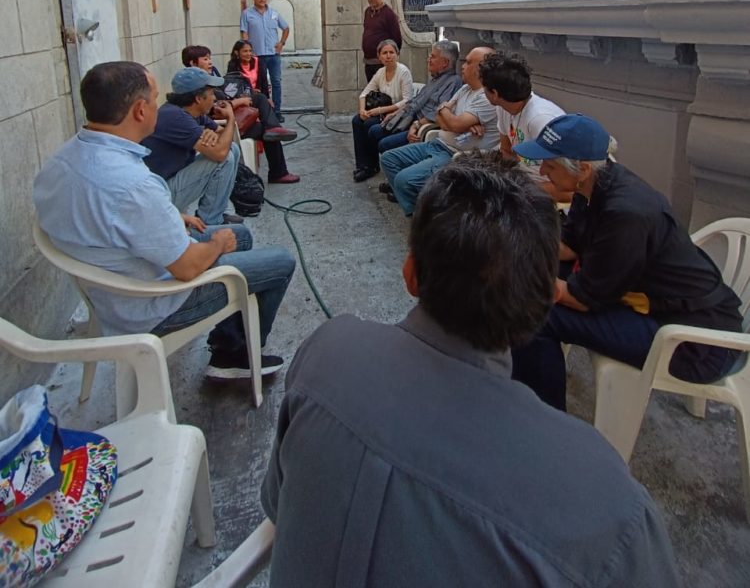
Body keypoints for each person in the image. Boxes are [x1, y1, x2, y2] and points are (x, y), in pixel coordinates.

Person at [260, 156, 681, 587]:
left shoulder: (325, 352)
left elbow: (279, 503)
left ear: (410, 275)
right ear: (541, 305)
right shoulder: (607, 502)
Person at [33, 61, 295, 379]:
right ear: (141, 110)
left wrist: (174, 216)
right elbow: (186, 267)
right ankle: (236, 358)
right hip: (152, 304)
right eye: (156, 99)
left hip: (114, 281)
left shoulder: (61, 161)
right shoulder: (131, 184)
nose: (161, 107)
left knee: (241, 235)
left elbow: (113, 217)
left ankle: (230, 339)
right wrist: (215, 244)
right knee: (278, 260)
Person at [511, 113, 743, 411]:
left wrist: (517, 274)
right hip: (650, 303)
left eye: (550, 164)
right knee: (536, 275)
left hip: (697, 344)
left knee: (533, 314)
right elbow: (569, 247)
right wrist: (519, 246)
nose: (542, 170)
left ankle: (541, 417)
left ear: (580, 168)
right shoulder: (593, 184)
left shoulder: (626, 212)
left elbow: (582, 299)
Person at [380, 46, 500, 215]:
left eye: (468, 62)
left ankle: (423, 217)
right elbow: (441, 118)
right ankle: (419, 211)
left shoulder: (485, 97)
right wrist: (451, 116)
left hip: (456, 153)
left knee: (403, 180)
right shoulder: (464, 89)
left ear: (481, 68)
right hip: (438, 142)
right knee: (388, 159)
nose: (462, 66)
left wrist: (450, 116)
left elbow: (453, 123)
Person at [142, 67, 244, 225]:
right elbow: (220, 153)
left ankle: (218, 212)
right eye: (211, 93)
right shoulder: (174, 117)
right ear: (198, 98)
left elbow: (223, 134)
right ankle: (210, 220)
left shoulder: (192, 113)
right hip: (161, 194)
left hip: (175, 180)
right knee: (224, 157)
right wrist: (231, 118)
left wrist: (215, 135)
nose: (214, 98)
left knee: (233, 149)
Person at [478, 51, 569, 200]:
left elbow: (570, 189)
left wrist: (520, 189)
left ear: (494, 93)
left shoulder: (542, 120)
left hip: (544, 197)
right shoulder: (502, 107)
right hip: (520, 185)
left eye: (484, 88)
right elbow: (506, 151)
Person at [223, 41, 300, 185]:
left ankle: (278, 173)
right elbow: (225, 99)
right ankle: (272, 127)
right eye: (205, 59)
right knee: (260, 100)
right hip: (229, 124)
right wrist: (243, 98)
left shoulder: (211, 78)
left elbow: (262, 84)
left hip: (246, 104)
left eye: (250, 51)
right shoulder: (199, 88)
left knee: (270, 133)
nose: (248, 54)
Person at [369, 40, 462, 158]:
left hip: (422, 126)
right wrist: (395, 113)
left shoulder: (453, 82)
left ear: (444, 62)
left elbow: (439, 113)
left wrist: (416, 125)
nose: (428, 59)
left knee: (384, 144)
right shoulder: (435, 79)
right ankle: (371, 168)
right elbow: (414, 101)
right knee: (373, 130)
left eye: (432, 56)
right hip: (408, 116)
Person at [352, 40, 414, 182]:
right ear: (379, 56)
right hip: (382, 113)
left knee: (369, 125)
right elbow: (364, 94)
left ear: (397, 54)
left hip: (398, 115)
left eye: (391, 52)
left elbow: (407, 101)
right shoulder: (380, 72)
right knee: (357, 120)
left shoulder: (403, 72)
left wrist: (380, 109)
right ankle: (363, 165)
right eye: (384, 53)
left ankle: (372, 165)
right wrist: (362, 110)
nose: (388, 56)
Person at [240, 0, 289, 120]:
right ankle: (264, 112)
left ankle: (277, 112)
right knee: (260, 85)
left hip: (273, 55)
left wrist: (281, 43)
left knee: (276, 82)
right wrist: (246, 52)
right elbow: (244, 33)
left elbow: (286, 28)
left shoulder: (274, 13)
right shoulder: (247, 14)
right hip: (256, 56)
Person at [361, 0, 401, 81]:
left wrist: (389, 59)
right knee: (372, 93)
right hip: (368, 62)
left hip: (382, 63)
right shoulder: (367, 12)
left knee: (383, 93)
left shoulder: (389, 14)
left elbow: (397, 39)